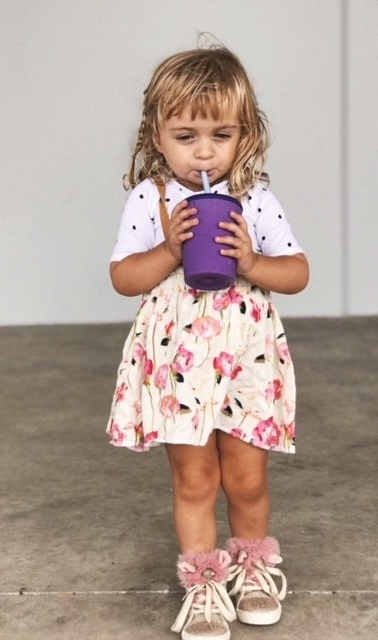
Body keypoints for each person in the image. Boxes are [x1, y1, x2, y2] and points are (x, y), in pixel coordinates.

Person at [106, 43, 309, 640]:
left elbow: (297, 272)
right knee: (195, 479)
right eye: (185, 136)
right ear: (157, 136)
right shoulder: (151, 200)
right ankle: (203, 583)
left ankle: (253, 567)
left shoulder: (255, 200)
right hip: (180, 366)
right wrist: (170, 248)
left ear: (246, 134)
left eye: (221, 135)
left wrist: (251, 261)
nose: (203, 152)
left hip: (246, 359)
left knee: (246, 478)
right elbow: (124, 278)